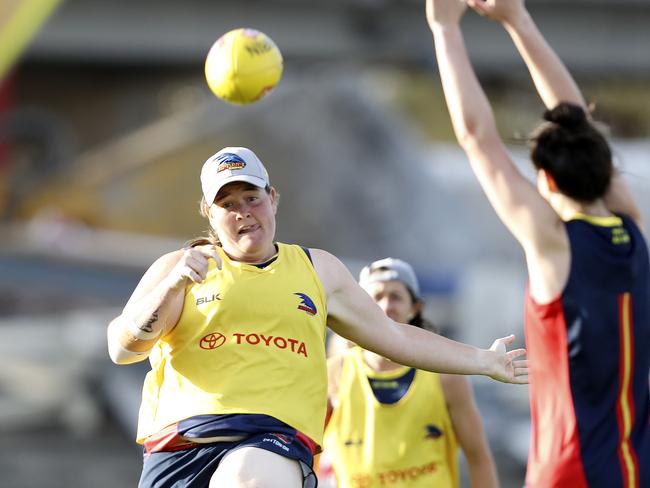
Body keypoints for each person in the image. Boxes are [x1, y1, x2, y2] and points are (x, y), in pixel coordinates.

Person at [106, 146, 528, 488]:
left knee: (246, 480)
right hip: (179, 446)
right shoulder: (182, 267)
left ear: (272, 199)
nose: (243, 212)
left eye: (251, 198)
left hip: (270, 440)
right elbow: (123, 348)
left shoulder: (317, 269)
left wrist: (484, 361)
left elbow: (396, 338)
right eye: (227, 204)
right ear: (210, 214)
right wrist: (172, 285)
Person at [426, 1, 650, 487]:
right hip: (635, 465)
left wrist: (443, 27)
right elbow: (578, 127)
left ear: (545, 178)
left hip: (570, 471)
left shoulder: (555, 245)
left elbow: (476, 138)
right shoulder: (631, 229)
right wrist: (517, 19)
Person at [321, 257, 499, 487]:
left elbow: (478, 457)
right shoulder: (335, 372)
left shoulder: (445, 375)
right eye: (376, 297)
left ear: (414, 308)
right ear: (361, 306)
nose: (386, 306)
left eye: (396, 297)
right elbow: (305, 447)